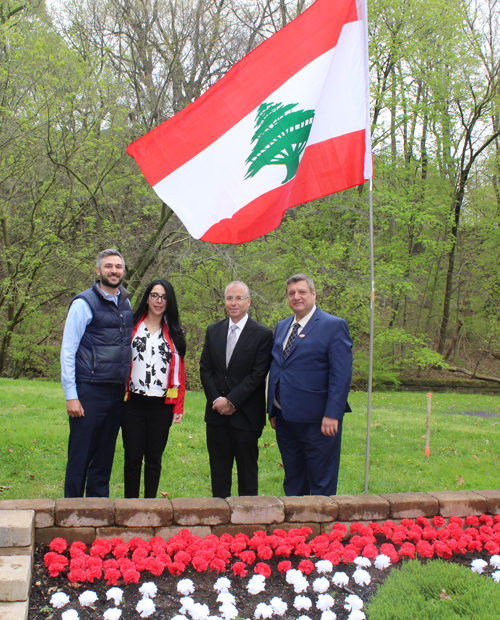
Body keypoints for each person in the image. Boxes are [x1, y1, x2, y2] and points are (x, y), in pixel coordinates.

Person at [268, 274, 352, 496]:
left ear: (314, 295)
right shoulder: (282, 326)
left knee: (320, 482)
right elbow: (279, 368)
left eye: (302, 292)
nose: (297, 297)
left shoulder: (333, 326)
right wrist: (273, 409)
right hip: (285, 419)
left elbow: (341, 374)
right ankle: (294, 528)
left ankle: (322, 529)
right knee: (293, 480)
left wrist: (333, 414)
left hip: (319, 421)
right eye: (292, 293)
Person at [61, 249, 133, 498]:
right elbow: (68, 350)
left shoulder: (126, 302)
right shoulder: (84, 303)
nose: (114, 271)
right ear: (98, 271)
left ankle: (98, 510)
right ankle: (70, 511)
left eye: (118, 267)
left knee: (104, 455)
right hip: (89, 389)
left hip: (115, 391)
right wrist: (71, 395)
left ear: (124, 271)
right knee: (81, 454)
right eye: (108, 266)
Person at [200, 281, 273, 498]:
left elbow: (257, 375)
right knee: (219, 475)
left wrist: (231, 401)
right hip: (216, 417)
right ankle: (218, 524)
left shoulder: (262, 334)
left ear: (248, 302)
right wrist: (217, 401)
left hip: (246, 417)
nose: (233, 303)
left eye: (239, 298)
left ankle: (247, 524)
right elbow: (206, 370)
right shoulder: (213, 330)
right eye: (229, 298)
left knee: (247, 475)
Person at [122, 279, 186, 498]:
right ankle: (129, 506)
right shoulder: (131, 326)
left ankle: (151, 507)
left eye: (164, 297)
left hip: (161, 406)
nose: (159, 301)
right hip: (132, 403)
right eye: (155, 295)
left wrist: (178, 406)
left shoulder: (175, 332)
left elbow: (179, 373)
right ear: (147, 298)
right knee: (132, 458)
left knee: (153, 460)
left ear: (170, 301)